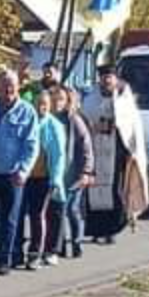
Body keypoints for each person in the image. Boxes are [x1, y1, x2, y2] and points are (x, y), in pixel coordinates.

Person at [0, 68, 39, 275]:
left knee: (9, 220)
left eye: (11, 85)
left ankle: (4, 260)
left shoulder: (27, 111)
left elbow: (31, 145)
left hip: (13, 175)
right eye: (4, 85)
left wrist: (23, 170)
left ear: (18, 86)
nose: (8, 89)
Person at [81, 65, 148, 243]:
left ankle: (111, 230)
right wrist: (95, 127)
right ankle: (95, 229)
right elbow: (84, 122)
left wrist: (129, 147)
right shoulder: (90, 100)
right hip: (95, 151)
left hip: (116, 153)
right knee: (93, 193)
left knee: (114, 191)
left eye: (110, 77)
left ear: (115, 79)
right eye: (104, 78)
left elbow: (131, 128)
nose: (107, 81)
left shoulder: (125, 100)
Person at [21, 88, 68, 269]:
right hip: (27, 176)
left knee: (38, 214)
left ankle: (35, 253)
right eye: (38, 104)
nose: (41, 107)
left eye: (45, 104)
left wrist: (56, 178)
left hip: (45, 177)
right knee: (23, 215)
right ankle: (17, 251)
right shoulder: (29, 123)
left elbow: (59, 155)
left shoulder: (54, 126)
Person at [50, 85, 94, 259]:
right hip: (56, 173)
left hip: (73, 173)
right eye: (55, 99)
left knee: (71, 209)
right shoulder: (50, 119)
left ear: (68, 102)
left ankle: (77, 242)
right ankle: (58, 246)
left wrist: (86, 171)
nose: (57, 102)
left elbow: (86, 147)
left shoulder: (74, 120)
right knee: (58, 210)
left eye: (61, 99)